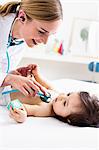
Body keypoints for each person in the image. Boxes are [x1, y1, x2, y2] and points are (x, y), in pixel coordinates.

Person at [1, 64, 99, 128]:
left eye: (65, 103)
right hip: (11, 81)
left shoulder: (46, 109)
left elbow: (26, 108)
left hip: (4, 95)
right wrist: (36, 74)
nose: (62, 97)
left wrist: (22, 116)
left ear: (68, 119)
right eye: (68, 94)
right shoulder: (57, 94)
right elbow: (45, 84)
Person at [0, 0, 63, 96]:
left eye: (50, 35)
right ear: (22, 17)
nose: (45, 42)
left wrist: (12, 75)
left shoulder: (20, 40)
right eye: (41, 32)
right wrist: (8, 79)